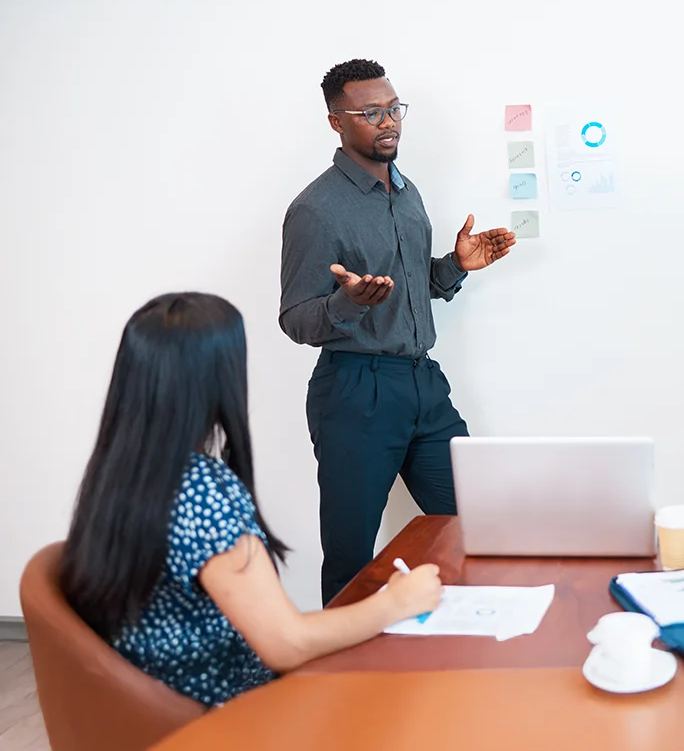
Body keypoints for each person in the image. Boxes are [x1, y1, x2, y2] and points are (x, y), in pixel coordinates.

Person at [60, 293, 441, 706]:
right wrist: (395, 602)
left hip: (163, 708)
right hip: (236, 716)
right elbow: (286, 643)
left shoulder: (119, 476)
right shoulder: (202, 492)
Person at [280, 58, 516, 605]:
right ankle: (344, 658)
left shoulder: (408, 193)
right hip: (355, 392)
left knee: (478, 524)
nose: (388, 123)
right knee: (351, 558)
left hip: (423, 385)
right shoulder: (314, 210)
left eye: (393, 109)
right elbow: (295, 318)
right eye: (371, 113)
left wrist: (454, 267)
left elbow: (409, 285)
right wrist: (346, 303)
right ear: (337, 122)